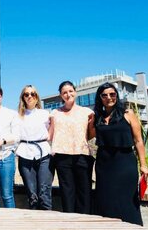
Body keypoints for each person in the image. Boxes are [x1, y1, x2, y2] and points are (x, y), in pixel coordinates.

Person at [92, 82, 148, 225]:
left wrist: (144, 165)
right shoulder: (97, 118)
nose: (109, 98)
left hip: (125, 163)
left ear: (116, 96)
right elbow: (88, 135)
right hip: (103, 165)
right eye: (104, 95)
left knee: (127, 200)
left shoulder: (128, 113)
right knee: (105, 200)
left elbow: (138, 141)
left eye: (112, 94)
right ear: (100, 98)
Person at [50, 81, 94, 214]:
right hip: (62, 157)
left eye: (70, 91)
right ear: (61, 95)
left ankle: (85, 223)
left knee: (84, 192)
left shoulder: (87, 112)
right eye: (64, 92)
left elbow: (91, 133)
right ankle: (70, 223)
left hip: (83, 155)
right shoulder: (54, 113)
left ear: (75, 91)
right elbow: (50, 134)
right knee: (67, 192)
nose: (68, 94)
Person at [15, 85, 53, 210]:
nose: (30, 96)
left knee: (44, 193)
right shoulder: (17, 116)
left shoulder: (45, 114)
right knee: (32, 195)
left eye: (33, 94)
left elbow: (53, 131)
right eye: (26, 94)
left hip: (44, 155)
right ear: (23, 97)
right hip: (25, 154)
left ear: (37, 97)